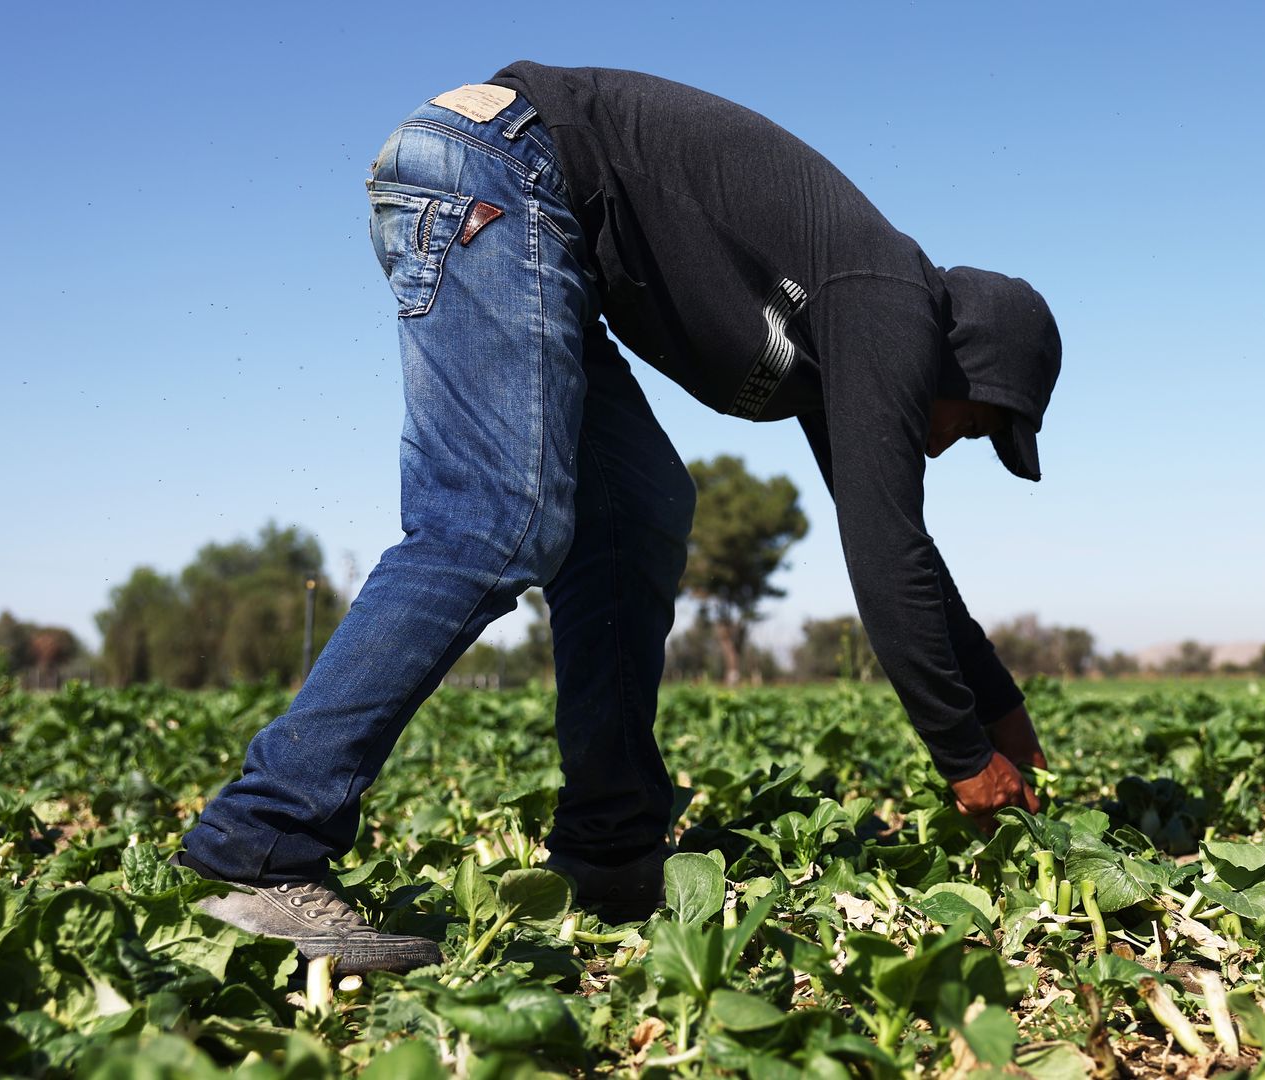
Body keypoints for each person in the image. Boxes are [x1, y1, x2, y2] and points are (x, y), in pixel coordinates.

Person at [173, 65, 1063, 974]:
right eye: (980, 424)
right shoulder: (888, 302)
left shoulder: (854, 330)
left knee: (634, 513)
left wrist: (999, 705)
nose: (954, 445)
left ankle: (611, 848)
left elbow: (892, 537)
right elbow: (888, 556)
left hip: (525, 200)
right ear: (970, 362)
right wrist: (963, 755)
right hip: (503, 169)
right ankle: (260, 843)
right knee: (494, 516)